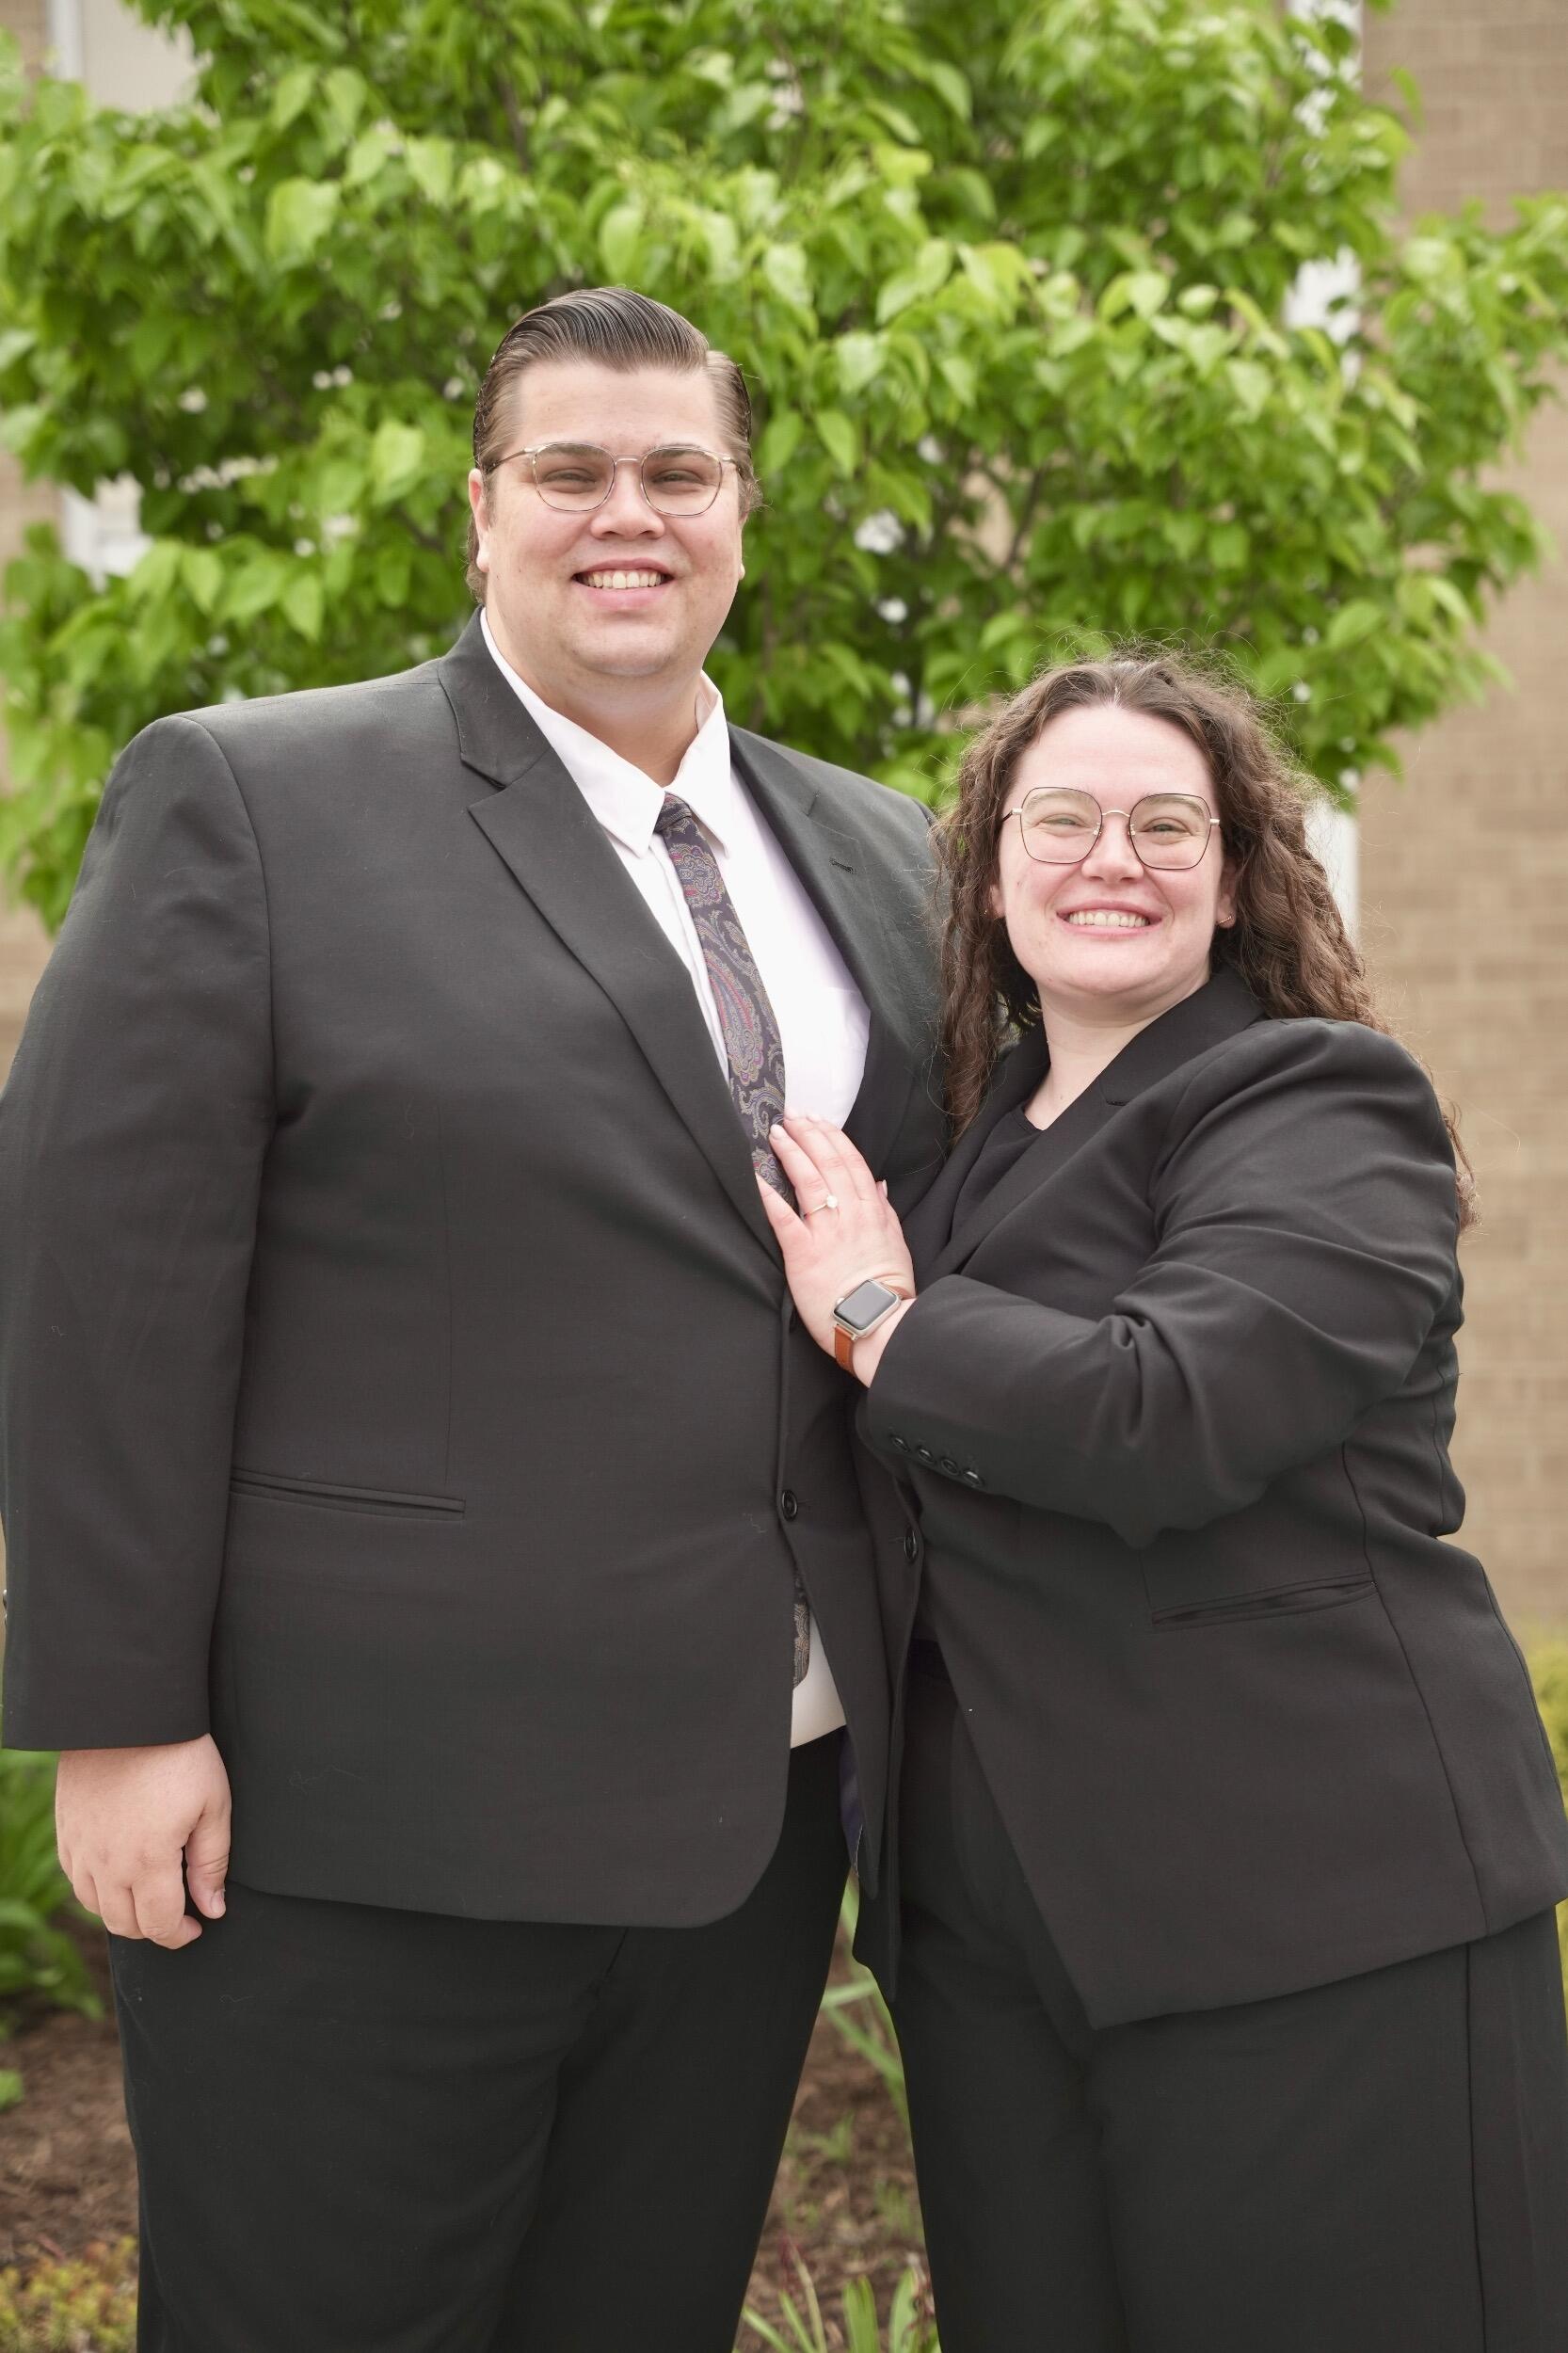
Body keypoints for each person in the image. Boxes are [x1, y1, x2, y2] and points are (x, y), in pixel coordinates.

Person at [0, 286, 945, 2353]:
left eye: (678, 473)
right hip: (357, 1819)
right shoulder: (252, 798)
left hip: (755, 1814)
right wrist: (119, 1713)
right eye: (569, 471)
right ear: (479, 509)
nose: (628, 514)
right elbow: (101, 1275)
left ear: (742, 511)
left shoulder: (882, 851)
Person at [760, 650, 1568, 2353]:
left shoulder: (1317, 1101)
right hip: (993, 1934)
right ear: (990, 881)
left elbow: (1163, 1413)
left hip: (1307, 1908)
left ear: (1238, 875)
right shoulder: (962, 1148)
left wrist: (877, 1318)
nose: (1108, 860)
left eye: (1164, 825)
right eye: (1057, 821)